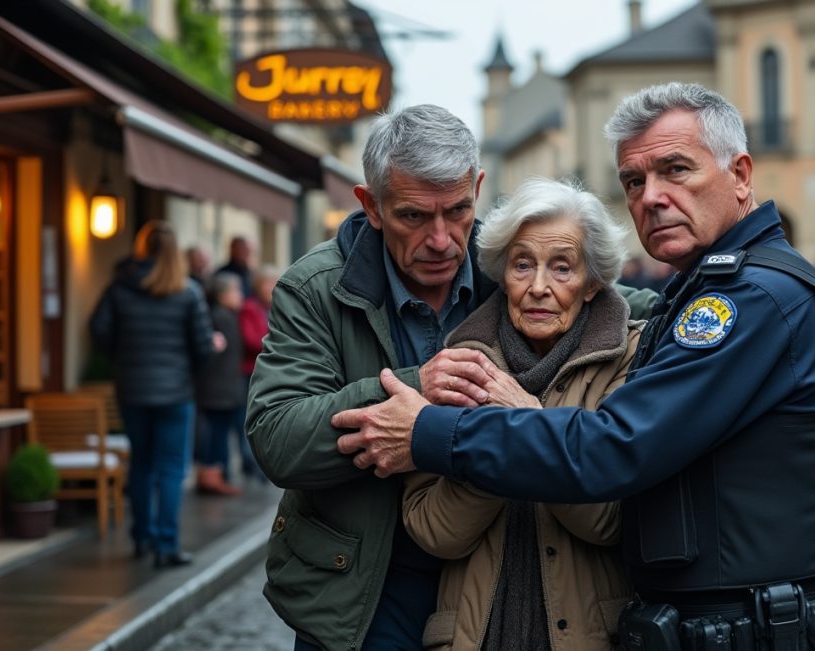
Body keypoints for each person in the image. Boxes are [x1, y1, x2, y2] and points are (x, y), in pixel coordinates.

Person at [334, 84, 815, 650]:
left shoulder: (750, 299)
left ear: (741, 175)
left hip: (756, 623)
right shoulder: (713, 287)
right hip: (724, 619)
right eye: (634, 180)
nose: (652, 196)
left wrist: (430, 430)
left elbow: (613, 450)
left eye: (676, 170)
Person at [246, 105, 655, 651]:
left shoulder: (505, 260)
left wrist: (718, 306)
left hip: (479, 584)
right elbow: (277, 438)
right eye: (414, 217)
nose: (441, 240)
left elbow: (600, 295)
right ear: (370, 205)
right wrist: (415, 387)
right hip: (363, 587)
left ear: (478, 190)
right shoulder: (316, 287)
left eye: (458, 211)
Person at [402, 178, 637, 650]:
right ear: (502, 273)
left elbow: (613, 521)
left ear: (591, 284)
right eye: (522, 264)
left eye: (563, 268)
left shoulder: (630, 357)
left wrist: (522, 422)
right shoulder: (460, 362)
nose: (538, 288)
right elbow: (432, 531)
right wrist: (505, 449)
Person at [90, 220, 222, 568]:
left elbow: (98, 332)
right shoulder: (187, 290)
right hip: (176, 392)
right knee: (172, 469)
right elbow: (203, 346)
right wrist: (190, 371)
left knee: (142, 464)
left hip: (132, 389)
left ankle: (141, 537)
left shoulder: (119, 287)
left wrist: (122, 356)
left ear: (141, 247)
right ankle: (167, 545)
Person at [193, 272, 245, 496]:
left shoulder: (219, 316)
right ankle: (214, 478)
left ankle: (213, 476)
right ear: (223, 295)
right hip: (221, 388)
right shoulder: (223, 317)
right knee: (218, 434)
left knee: (217, 432)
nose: (240, 295)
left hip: (218, 387)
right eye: (236, 291)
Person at [237, 264, 279, 481]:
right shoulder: (250, 308)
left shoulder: (277, 306)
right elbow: (251, 340)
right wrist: (276, 341)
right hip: (251, 372)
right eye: (267, 283)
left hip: (272, 372)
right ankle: (253, 463)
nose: (272, 287)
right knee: (252, 418)